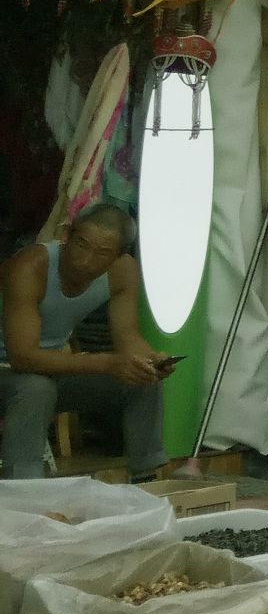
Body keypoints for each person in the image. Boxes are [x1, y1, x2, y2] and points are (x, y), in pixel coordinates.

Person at [3, 205, 171, 480]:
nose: (85, 261)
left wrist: (150, 362)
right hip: (10, 371)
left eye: (102, 253)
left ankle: (147, 477)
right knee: (36, 387)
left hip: (50, 372)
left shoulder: (123, 271)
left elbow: (128, 336)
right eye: (81, 244)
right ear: (67, 235)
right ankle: (24, 486)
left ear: (118, 256)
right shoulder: (30, 266)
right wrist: (106, 363)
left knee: (142, 379)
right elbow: (22, 357)